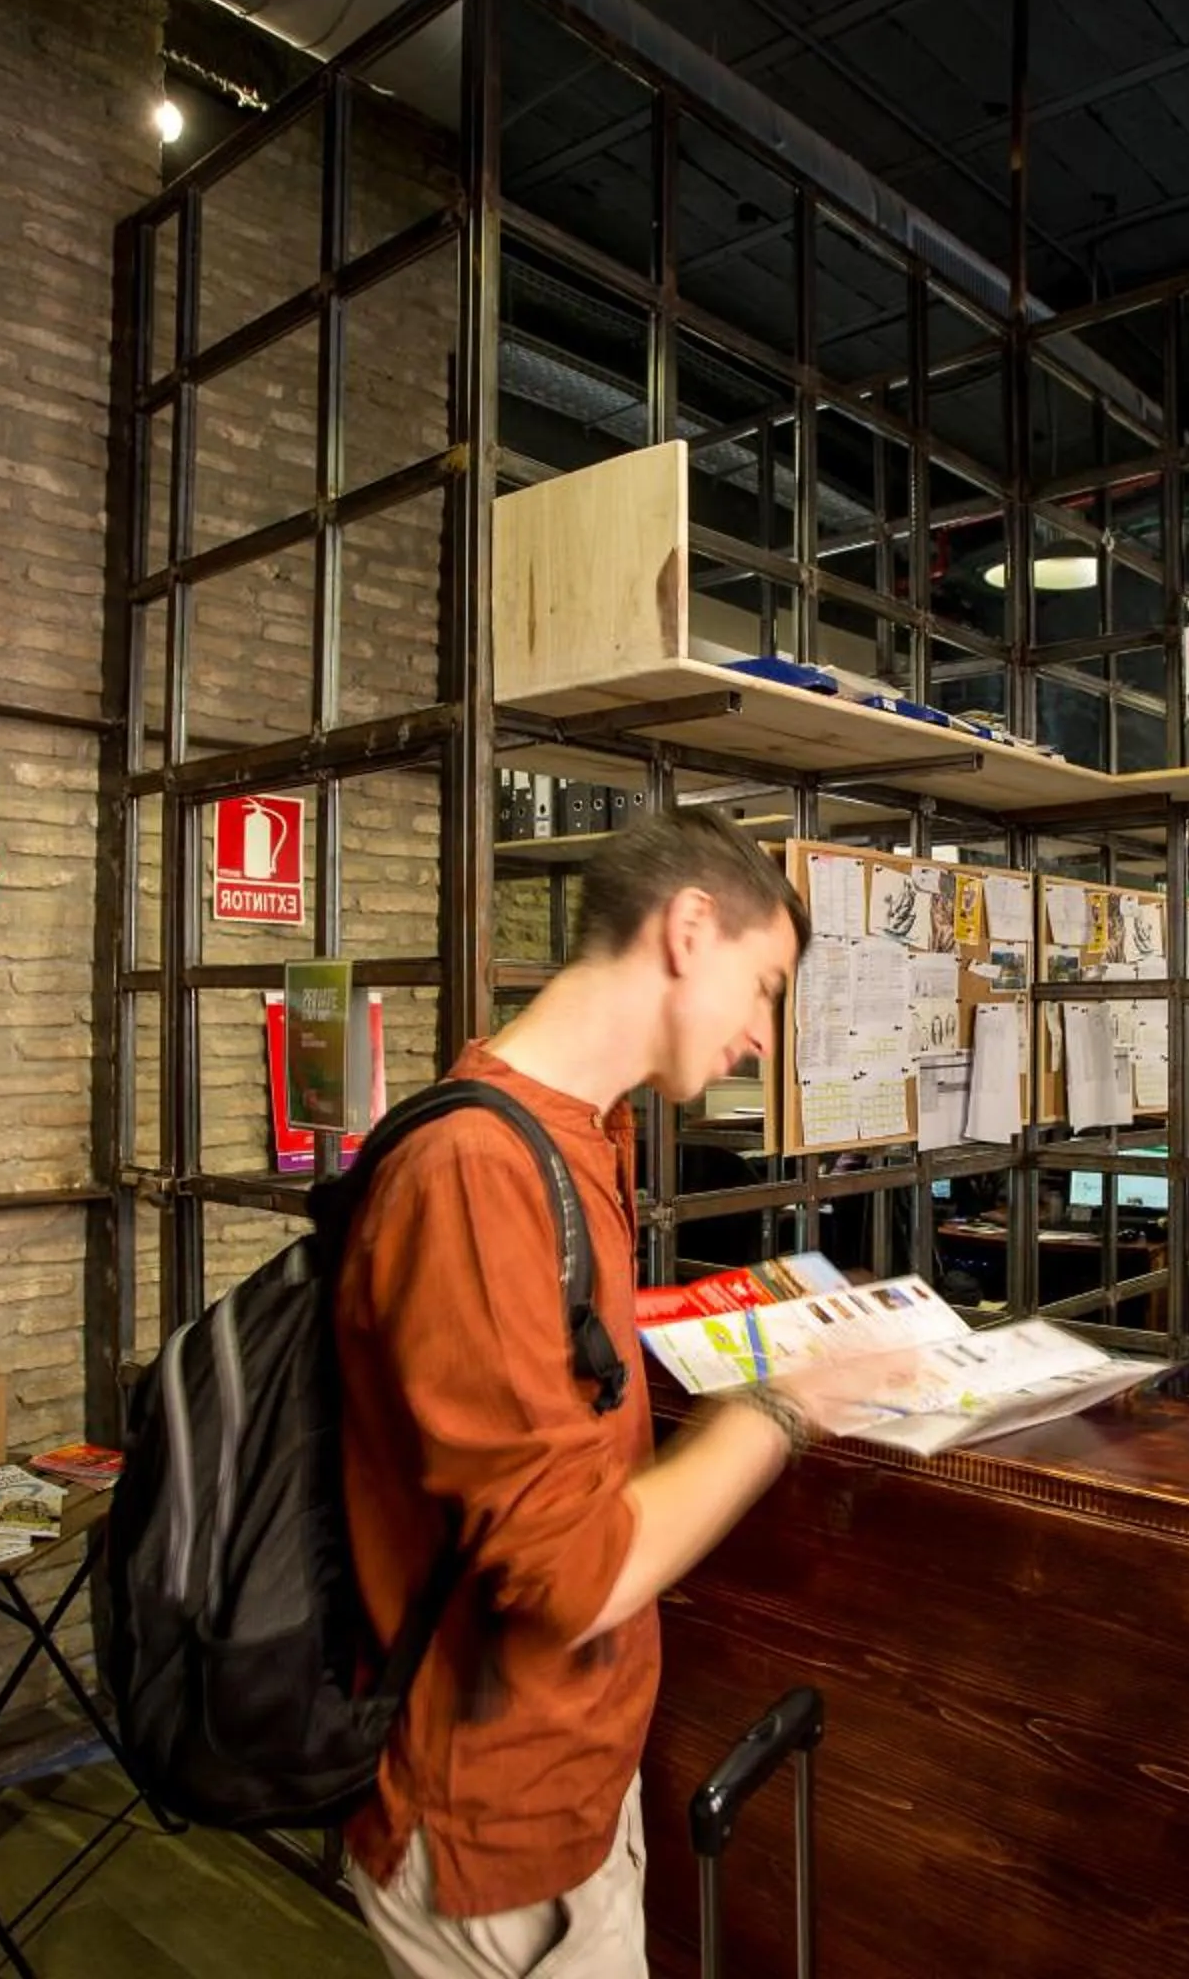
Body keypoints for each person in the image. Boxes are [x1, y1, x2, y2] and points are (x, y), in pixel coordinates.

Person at [334, 809, 869, 1978]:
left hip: (567, 1789)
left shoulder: (582, 1131)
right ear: (688, 928)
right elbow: (571, 1578)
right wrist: (787, 1400)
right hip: (494, 1828)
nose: (762, 1036)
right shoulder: (478, 1168)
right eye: (764, 985)